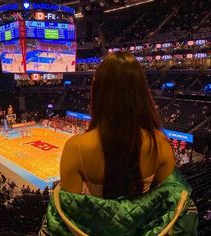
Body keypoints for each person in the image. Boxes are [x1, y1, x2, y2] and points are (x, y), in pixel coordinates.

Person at [40, 52, 198, 235]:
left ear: (97, 91)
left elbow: (68, 220)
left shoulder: (75, 148)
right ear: (141, 90)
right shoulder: (160, 143)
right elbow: (172, 206)